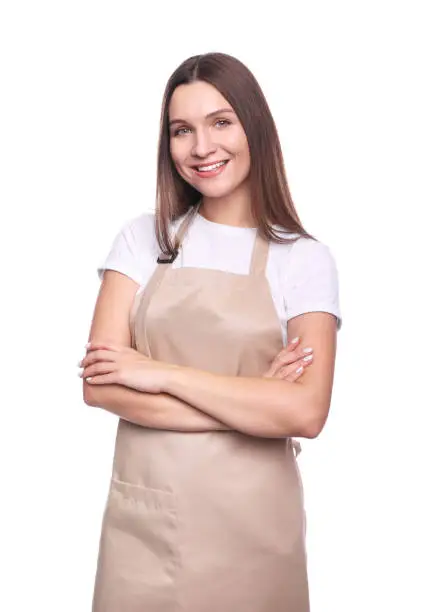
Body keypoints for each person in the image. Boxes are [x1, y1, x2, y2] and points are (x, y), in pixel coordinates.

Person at [79, 52, 342, 612]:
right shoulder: (142, 240)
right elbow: (100, 386)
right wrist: (252, 402)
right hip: (146, 531)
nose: (201, 148)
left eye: (220, 122)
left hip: (254, 532)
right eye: (182, 130)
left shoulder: (305, 259)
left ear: (254, 127)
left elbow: (306, 414)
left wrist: (156, 373)